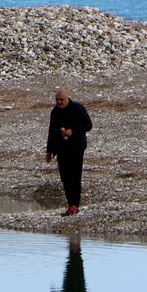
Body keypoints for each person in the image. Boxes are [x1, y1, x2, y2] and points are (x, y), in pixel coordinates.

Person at [46, 88, 93, 216]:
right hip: (61, 149)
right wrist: (49, 150)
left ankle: (75, 205)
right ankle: (70, 204)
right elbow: (52, 131)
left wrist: (72, 131)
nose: (59, 102)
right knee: (65, 176)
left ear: (67, 98)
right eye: (57, 100)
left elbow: (88, 125)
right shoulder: (55, 112)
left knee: (75, 176)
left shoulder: (78, 108)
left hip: (77, 147)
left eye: (61, 99)